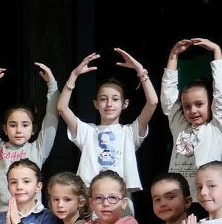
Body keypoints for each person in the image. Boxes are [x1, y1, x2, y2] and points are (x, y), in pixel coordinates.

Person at [58, 48, 159, 200]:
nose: (109, 104)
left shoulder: (129, 132)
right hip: (91, 197)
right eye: (103, 99)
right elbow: (62, 108)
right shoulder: (88, 132)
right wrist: (74, 75)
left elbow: (153, 102)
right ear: (95, 104)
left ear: (125, 104)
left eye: (115, 99)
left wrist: (140, 71)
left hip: (121, 198)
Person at [0, 62, 59, 224]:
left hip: (30, 213)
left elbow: (51, 119)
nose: (19, 130)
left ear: (34, 129)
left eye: (25, 125)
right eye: (13, 125)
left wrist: (52, 86)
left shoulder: (37, 149)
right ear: (5, 129)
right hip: (0, 212)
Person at [160, 35, 222, 199]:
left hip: (206, 200)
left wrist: (217, 52)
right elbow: (168, 97)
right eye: (187, 106)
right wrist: (173, 57)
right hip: (178, 200)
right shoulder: (180, 126)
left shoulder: (217, 129)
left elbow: (221, 95)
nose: (192, 110)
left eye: (199, 104)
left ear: (210, 104)